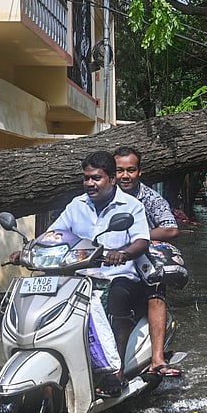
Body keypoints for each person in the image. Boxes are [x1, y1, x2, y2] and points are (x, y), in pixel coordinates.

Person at [44, 150, 152, 396]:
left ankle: (116, 370)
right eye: (86, 178)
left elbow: (141, 241)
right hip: (81, 276)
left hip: (118, 276)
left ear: (112, 179)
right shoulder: (76, 205)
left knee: (118, 296)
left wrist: (122, 254)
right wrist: (28, 248)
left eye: (96, 178)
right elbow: (55, 234)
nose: (90, 183)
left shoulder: (131, 206)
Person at [114, 146, 182, 377]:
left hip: (143, 263)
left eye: (130, 170)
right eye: (119, 171)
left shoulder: (150, 198)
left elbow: (171, 229)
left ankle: (157, 359)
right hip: (108, 263)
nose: (125, 176)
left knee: (156, 292)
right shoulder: (103, 197)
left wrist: (139, 236)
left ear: (139, 172)